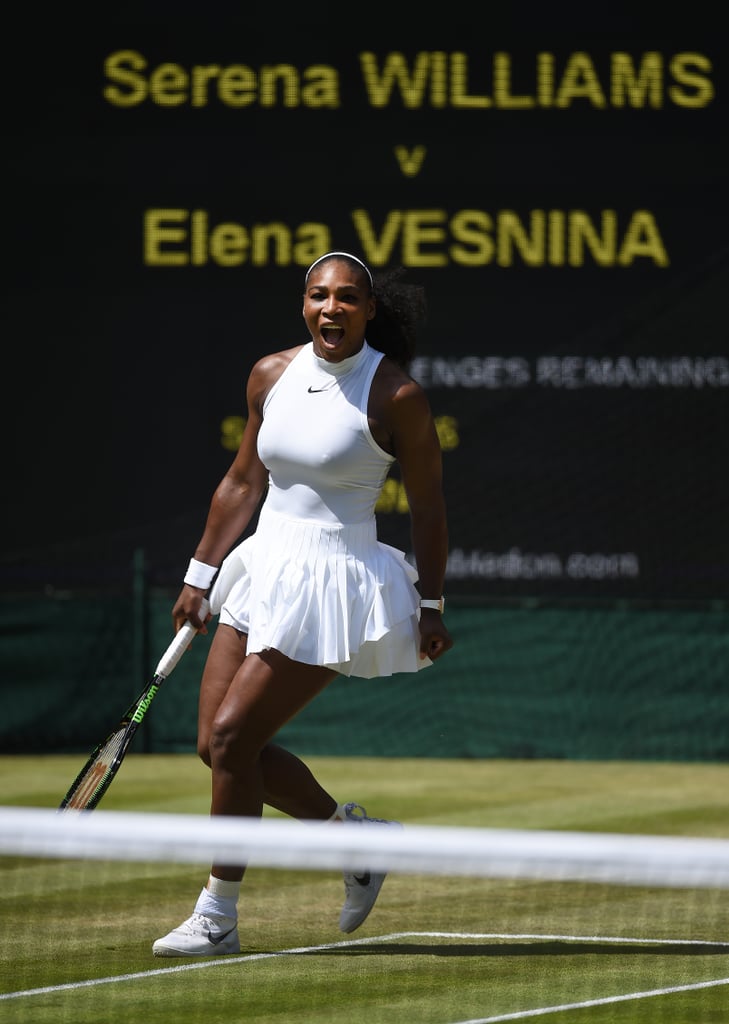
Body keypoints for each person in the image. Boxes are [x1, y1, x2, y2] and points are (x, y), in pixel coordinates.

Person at [152, 251, 453, 957]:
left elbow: (431, 510)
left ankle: (216, 916)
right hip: (262, 567)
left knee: (232, 741)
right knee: (218, 747)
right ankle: (355, 843)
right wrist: (200, 573)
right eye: (319, 296)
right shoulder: (270, 374)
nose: (332, 309)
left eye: (348, 298)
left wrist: (431, 603)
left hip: (334, 580)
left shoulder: (397, 396)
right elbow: (240, 481)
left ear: (368, 310)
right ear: (303, 305)